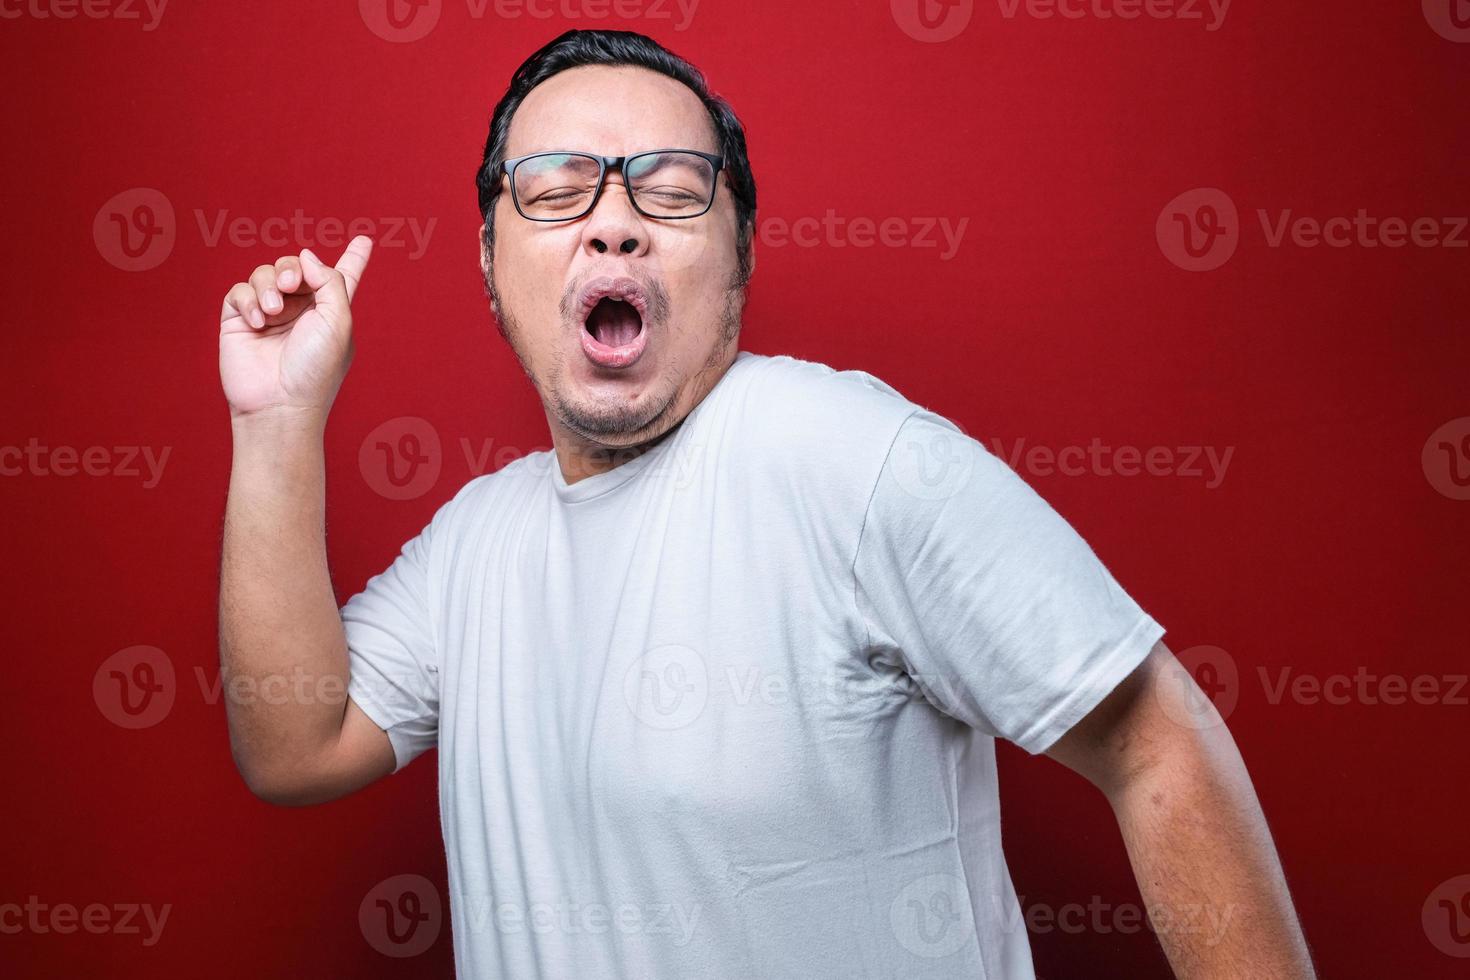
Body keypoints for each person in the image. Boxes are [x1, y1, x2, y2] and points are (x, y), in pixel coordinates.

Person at [216, 28, 1315, 979]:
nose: (612, 224)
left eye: (672, 189)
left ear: (737, 262)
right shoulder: (475, 545)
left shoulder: (842, 454)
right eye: (555, 188)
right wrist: (275, 425)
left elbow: (1155, 735)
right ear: (490, 263)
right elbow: (296, 744)